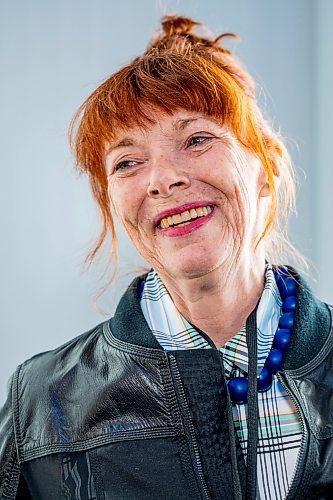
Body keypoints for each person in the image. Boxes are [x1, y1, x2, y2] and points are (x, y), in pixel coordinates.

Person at [0, 15, 332, 500]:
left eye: (196, 140)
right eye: (127, 162)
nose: (163, 179)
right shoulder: (41, 399)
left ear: (268, 167)